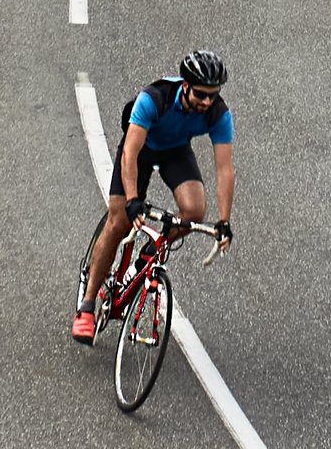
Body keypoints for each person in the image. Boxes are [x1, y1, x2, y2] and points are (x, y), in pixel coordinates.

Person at [74, 49, 234, 338]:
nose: (207, 102)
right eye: (201, 94)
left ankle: (152, 250)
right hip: (140, 149)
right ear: (185, 85)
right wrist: (133, 200)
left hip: (176, 150)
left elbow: (224, 170)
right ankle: (86, 305)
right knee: (119, 221)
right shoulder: (154, 98)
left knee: (194, 212)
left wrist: (224, 220)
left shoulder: (218, 114)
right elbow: (130, 152)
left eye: (213, 95)